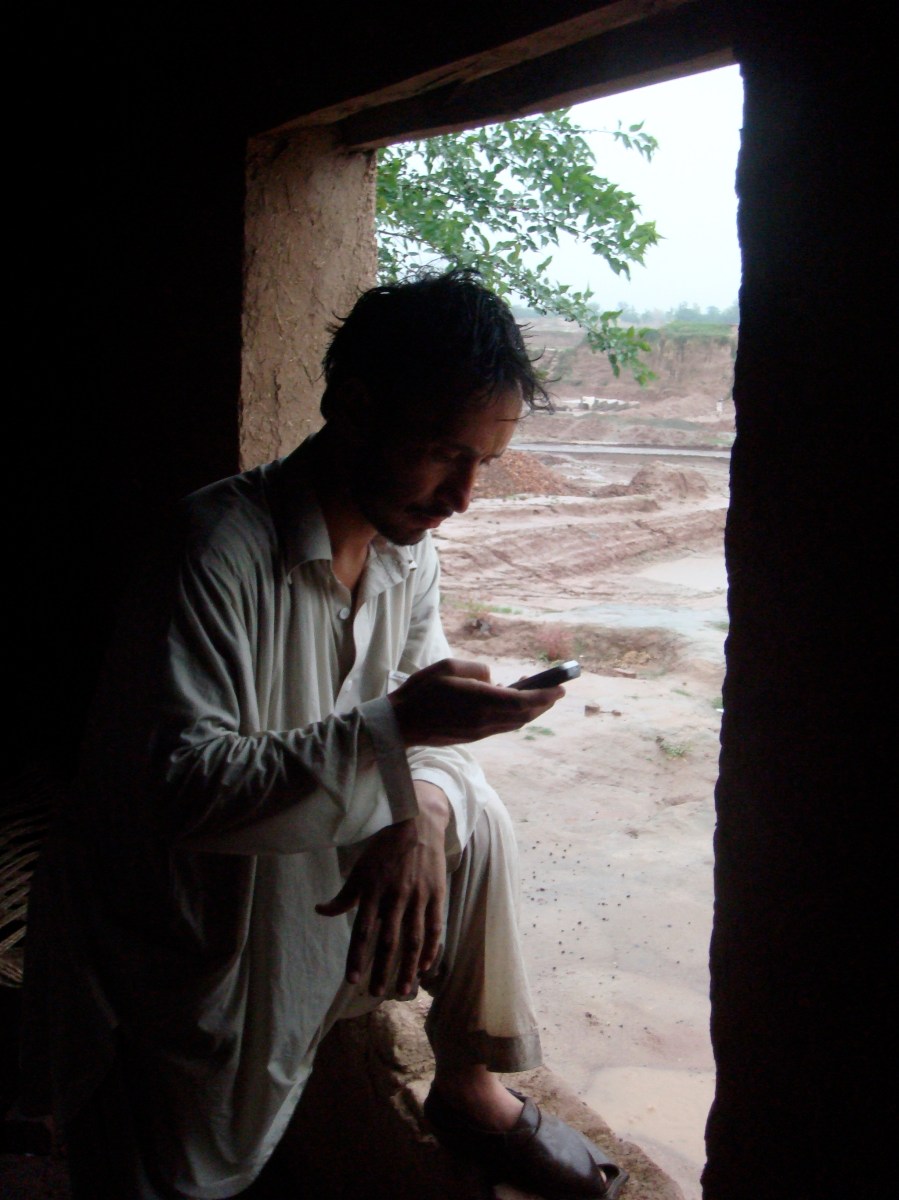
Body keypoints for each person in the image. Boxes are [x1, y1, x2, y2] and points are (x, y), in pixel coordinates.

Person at [22, 269, 628, 1199]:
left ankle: (465, 1082)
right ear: (353, 407)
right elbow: (179, 787)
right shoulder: (216, 548)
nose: (461, 495)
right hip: (183, 935)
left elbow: (409, 738)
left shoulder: (404, 551)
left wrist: (417, 809)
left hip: (298, 902)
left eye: (483, 464)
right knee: (163, 1173)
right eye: (439, 452)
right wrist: (396, 730)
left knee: (472, 812)